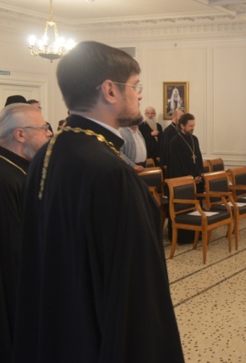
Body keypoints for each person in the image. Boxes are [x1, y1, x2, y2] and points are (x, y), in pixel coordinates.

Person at [13, 41, 184, 362]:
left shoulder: (47, 155)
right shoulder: (111, 173)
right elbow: (138, 298)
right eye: (135, 86)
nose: (140, 95)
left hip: (60, 335)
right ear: (110, 90)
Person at [0, 103, 52, 361]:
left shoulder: (21, 169)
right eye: (43, 128)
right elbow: (12, 251)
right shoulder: (5, 178)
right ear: (20, 134)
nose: (49, 133)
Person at [166, 112, 203, 244]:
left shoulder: (195, 139)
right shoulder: (175, 142)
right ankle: (182, 237)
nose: (193, 128)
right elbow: (177, 165)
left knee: (194, 207)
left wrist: (199, 175)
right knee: (182, 208)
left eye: (194, 125)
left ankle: (196, 234)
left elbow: (198, 159)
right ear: (182, 125)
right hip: (182, 182)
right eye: (190, 125)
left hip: (195, 180)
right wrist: (190, 178)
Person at [159, 108, 183, 174]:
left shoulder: (181, 129)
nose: (182, 119)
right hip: (171, 163)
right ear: (174, 116)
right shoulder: (168, 131)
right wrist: (165, 164)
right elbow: (165, 148)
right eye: (181, 116)